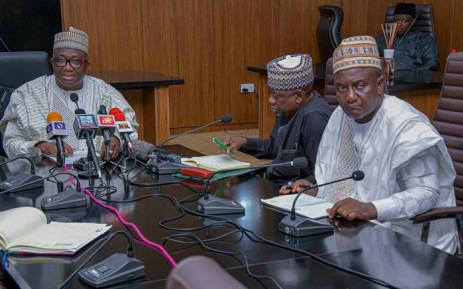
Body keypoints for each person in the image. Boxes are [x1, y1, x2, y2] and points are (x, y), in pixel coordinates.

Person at [281, 35, 458, 253]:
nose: (350, 96)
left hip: (411, 245)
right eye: (341, 88)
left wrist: (373, 208)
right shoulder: (339, 116)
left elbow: (425, 193)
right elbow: (342, 179)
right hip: (353, 233)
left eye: (360, 85)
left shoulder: (407, 127)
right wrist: (317, 190)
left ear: (380, 84)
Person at [0, 27, 138, 159]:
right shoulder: (27, 94)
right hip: (47, 176)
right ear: (52, 63)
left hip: (100, 172)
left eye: (76, 62)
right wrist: (40, 146)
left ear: (86, 65)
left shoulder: (105, 92)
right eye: (60, 60)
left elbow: (129, 128)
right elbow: (10, 143)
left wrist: (117, 139)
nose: (67, 67)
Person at [219, 54, 332, 182]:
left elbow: (322, 174)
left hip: (287, 190)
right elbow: (276, 147)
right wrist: (244, 142)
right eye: (270, 93)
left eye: (276, 96)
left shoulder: (315, 118)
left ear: (298, 96)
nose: (270, 100)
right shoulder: (287, 109)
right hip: (272, 176)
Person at [376, 3, 439, 71]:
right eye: (397, 20)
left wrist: (412, 75)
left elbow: (432, 64)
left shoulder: (425, 40)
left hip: (413, 79)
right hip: (384, 78)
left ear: (412, 21)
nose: (400, 24)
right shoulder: (380, 40)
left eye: (405, 21)